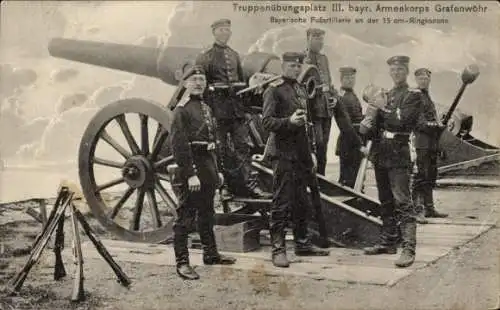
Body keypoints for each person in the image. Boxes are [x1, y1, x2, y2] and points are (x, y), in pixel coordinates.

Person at [262, 52, 330, 268]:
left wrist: (310, 151)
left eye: (298, 66)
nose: (296, 69)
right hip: (282, 153)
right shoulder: (273, 90)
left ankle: (302, 243)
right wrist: (289, 122)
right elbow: (267, 122)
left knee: (302, 200)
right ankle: (278, 250)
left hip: (301, 154)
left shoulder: (300, 89)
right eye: (291, 65)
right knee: (281, 201)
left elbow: (306, 124)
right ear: (282, 66)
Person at [170, 65, 236, 280]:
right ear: (185, 84)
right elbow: (179, 146)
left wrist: (217, 172)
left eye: (201, 79)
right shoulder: (182, 110)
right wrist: (190, 174)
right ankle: (182, 263)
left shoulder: (205, 107)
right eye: (194, 80)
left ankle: (211, 254)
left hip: (207, 166)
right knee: (185, 218)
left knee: (207, 213)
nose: (198, 83)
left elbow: (213, 143)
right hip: (191, 168)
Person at [361, 56, 426, 268]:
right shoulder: (386, 95)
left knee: (403, 202)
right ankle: (388, 242)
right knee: (385, 201)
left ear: (406, 71)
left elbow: (402, 122)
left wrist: (383, 109)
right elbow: (374, 126)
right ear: (389, 72)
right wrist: (367, 121)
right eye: (393, 70)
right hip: (381, 154)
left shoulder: (413, 96)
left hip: (398, 153)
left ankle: (408, 249)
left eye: (400, 69)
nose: (396, 73)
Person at [195, 18, 271, 200]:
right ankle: (225, 188)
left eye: (227, 30)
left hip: (236, 109)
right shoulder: (206, 56)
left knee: (243, 147)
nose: (225, 33)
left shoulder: (235, 55)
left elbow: (242, 82)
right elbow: (201, 85)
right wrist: (209, 108)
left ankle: (250, 187)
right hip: (217, 109)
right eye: (221, 30)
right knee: (221, 150)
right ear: (214, 32)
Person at [303, 28, 363, 176]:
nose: (319, 41)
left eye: (321, 39)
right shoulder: (303, 59)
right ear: (308, 39)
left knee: (324, 145)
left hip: (326, 109)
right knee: (317, 144)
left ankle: (321, 177)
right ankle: (313, 177)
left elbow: (329, 84)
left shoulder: (324, 59)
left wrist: (335, 98)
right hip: (312, 110)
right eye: (316, 38)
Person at [412, 68, 448, 224]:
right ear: (416, 80)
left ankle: (429, 208)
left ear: (429, 80)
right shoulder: (416, 97)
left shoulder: (427, 97)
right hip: (422, 143)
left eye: (426, 79)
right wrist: (437, 125)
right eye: (420, 79)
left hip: (431, 143)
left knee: (430, 176)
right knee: (421, 176)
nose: (423, 81)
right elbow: (419, 123)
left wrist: (437, 126)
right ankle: (417, 210)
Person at [335, 66, 365, 188]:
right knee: (349, 182)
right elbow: (345, 125)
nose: (350, 80)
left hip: (354, 140)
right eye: (347, 78)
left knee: (356, 179)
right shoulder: (341, 97)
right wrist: (359, 144)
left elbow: (357, 117)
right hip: (349, 143)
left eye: (352, 77)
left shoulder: (351, 95)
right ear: (341, 79)